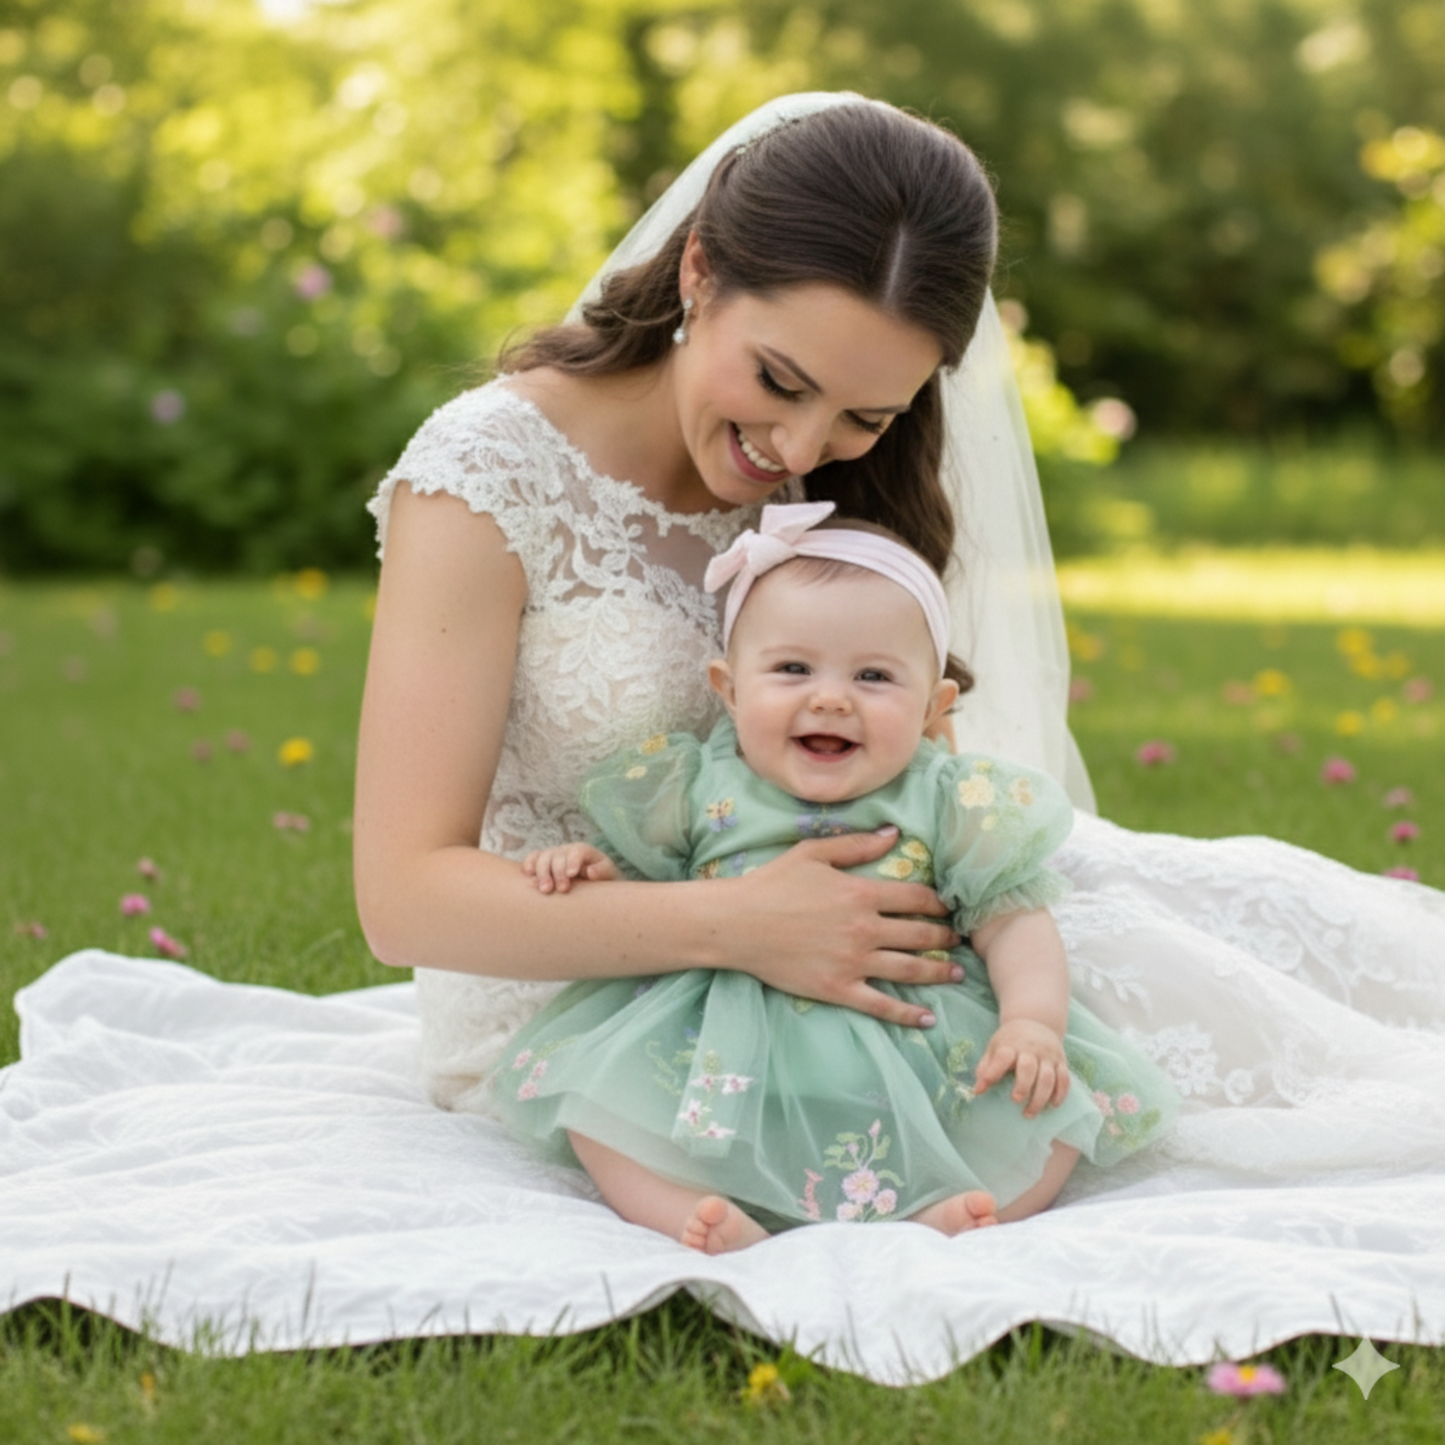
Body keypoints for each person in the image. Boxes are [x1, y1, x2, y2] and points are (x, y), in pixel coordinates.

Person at [356, 92, 1445, 1212]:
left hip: (867, 936)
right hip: (592, 1005)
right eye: (778, 380)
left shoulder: (843, 484)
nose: (798, 444)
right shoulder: (487, 475)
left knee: (1182, 960)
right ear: (698, 273)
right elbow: (400, 896)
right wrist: (743, 927)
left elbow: (926, 779)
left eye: (864, 416)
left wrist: (957, 936)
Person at [490, 503, 1178, 1252]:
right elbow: (649, 888)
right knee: (600, 1105)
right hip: (729, 1031)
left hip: (909, 1034)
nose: (829, 697)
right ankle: (686, 1205)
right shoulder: (695, 785)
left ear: (933, 707)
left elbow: (1012, 917)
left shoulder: (945, 798)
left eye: (873, 676)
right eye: (792, 669)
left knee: (1050, 1118)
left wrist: (1031, 1021)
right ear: (728, 689)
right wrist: (592, 868)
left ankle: (941, 1212)